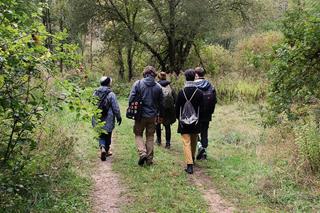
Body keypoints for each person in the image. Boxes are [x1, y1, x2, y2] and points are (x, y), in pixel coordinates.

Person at [128, 66, 163, 166]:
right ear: (154, 74)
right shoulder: (158, 87)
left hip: (140, 115)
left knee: (138, 134)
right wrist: (160, 115)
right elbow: (161, 103)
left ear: (145, 73)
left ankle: (142, 153)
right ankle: (149, 160)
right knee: (150, 136)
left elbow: (131, 98)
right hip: (152, 116)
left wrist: (132, 108)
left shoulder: (138, 83)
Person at [175, 69, 203, 174]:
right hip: (196, 122)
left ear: (186, 78)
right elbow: (203, 108)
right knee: (194, 141)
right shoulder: (199, 93)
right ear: (194, 77)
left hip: (183, 122)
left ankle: (189, 164)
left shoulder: (181, 92)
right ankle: (192, 158)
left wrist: (179, 119)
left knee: (186, 142)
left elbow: (177, 108)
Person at [93, 76, 122, 161]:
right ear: (108, 83)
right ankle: (107, 150)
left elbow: (92, 104)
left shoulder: (95, 92)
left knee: (101, 134)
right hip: (108, 117)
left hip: (97, 117)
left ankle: (102, 147)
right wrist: (118, 117)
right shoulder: (111, 94)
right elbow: (115, 107)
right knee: (108, 134)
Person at [194, 67, 217, 160]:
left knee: (195, 131)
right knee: (204, 132)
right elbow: (215, 100)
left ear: (196, 75)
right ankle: (204, 151)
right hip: (207, 113)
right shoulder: (210, 85)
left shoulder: (193, 85)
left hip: (196, 113)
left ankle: (199, 147)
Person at [155, 72, 176, 149]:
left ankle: (159, 140)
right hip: (168, 109)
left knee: (157, 124)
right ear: (165, 77)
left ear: (158, 77)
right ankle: (168, 143)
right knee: (167, 126)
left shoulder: (156, 86)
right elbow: (175, 98)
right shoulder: (170, 86)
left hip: (159, 109)